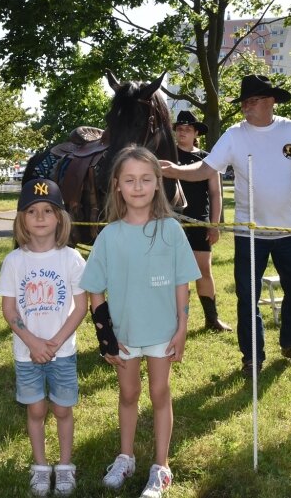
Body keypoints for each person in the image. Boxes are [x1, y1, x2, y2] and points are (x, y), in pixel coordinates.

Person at [161, 75, 291, 375]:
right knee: (247, 296)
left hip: (289, 231)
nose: (247, 106)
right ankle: (252, 357)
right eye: (244, 101)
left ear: (271, 101)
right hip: (250, 234)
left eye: (254, 100)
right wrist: (176, 170)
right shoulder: (234, 136)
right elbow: (205, 169)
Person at [80, 146, 200, 498]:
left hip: (163, 331)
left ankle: (161, 467)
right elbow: (95, 292)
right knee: (129, 393)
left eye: (146, 179)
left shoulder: (172, 231)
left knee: (160, 393)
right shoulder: (108, 236)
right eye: (130, 180)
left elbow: (183, 283)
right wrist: (107, 340)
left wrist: (183, 326)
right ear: (117, 185)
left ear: (157, 184)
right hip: (125, 334)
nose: (138, 186)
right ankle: (126, 456)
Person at [0, 178, 87, 497]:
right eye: (32, 211)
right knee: (35, 411)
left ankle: (64, 467)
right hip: (26, 353)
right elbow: (8, 309)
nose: (40, 217)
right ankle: (39, 466)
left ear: (60, 217)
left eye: (48, 210)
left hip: (62, 352)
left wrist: (56, 342)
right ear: (22, 219)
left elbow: (81, 305)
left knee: (62, 410)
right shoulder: (14, 261)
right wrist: (33, 342)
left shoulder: (72, 259)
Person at [173, 110, 232, 332]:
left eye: (188, 129)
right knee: (176, 275)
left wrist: (214, 225)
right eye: (179, 129)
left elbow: (216, 194)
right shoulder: (168, 158)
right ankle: (177, 323)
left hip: (199, 221)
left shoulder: (208, 159)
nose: (183, 133)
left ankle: (212, 319)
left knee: (203, 271)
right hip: (173, 223)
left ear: (196, 132)